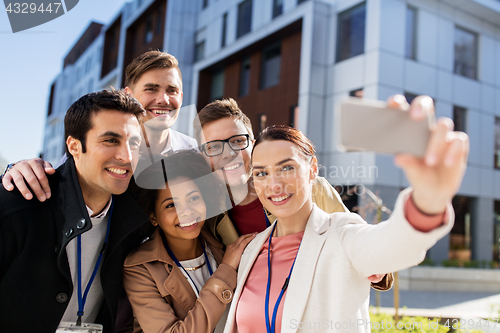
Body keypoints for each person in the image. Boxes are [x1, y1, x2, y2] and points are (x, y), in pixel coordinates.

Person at [223, 97, 469, 333]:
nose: (273, 184)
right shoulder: (252, 250)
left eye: (286, 167)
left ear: (312, 170)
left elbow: (393, 245)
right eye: (262, 173)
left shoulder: (341, 234)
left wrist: (427, 203)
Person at [194, 98, 391, 289]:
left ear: (253, 145)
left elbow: (359, 246)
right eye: (213, 147)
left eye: (237, 141)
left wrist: (374, 265)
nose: (228, 153)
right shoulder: (208, 218)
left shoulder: (313, 189)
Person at [0, 90, 152, 332]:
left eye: (134, 143)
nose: (127, 156)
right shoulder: (16, 204)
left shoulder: (135, 221)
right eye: (110, 140)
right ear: (74, 146)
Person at [1, 50, 196, 202]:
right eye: (151, 89)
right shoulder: (93, 150)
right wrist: (16, 170)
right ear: (128, 94)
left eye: (172, 90)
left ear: (181, 97)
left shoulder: (194, 152)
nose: (163, 99)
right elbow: (57, 184)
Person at [123, 150, 255, 333]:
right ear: (153, 217)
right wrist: (226, 270)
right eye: (171, 205)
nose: (186, 211)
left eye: (193, 198)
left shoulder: (222, 244)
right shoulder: (140, 268)